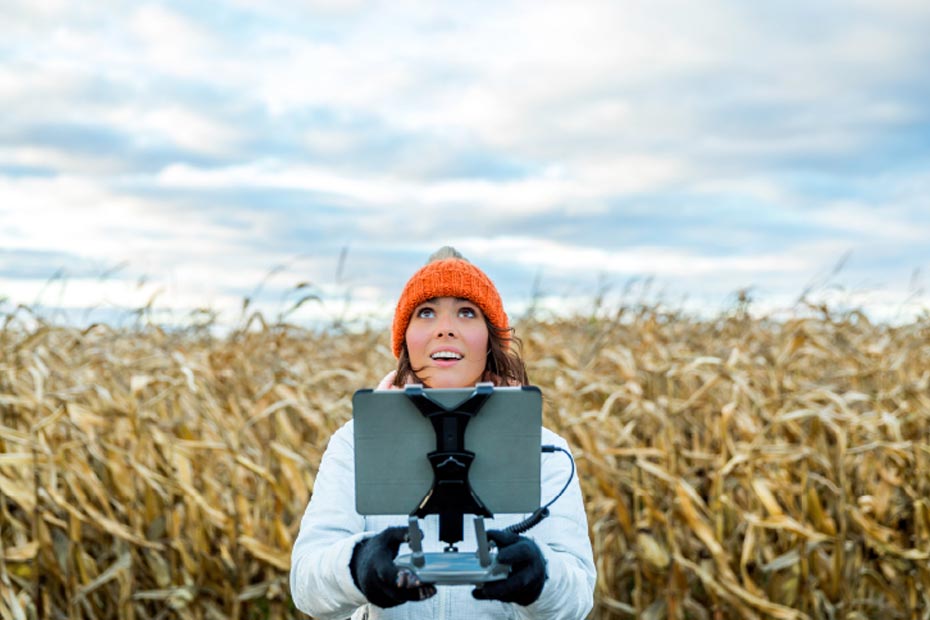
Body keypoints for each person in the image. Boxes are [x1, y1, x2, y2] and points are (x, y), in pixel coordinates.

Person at [290, 247, 595, 619]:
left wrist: (542, 578)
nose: (444, 328)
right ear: (405, 341)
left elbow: (577, 599)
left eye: (466, 312)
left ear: (490, 340)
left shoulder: (544, 449)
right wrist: (356, 566)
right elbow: (306, 584)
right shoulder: (355, 442)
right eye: (426, 312)